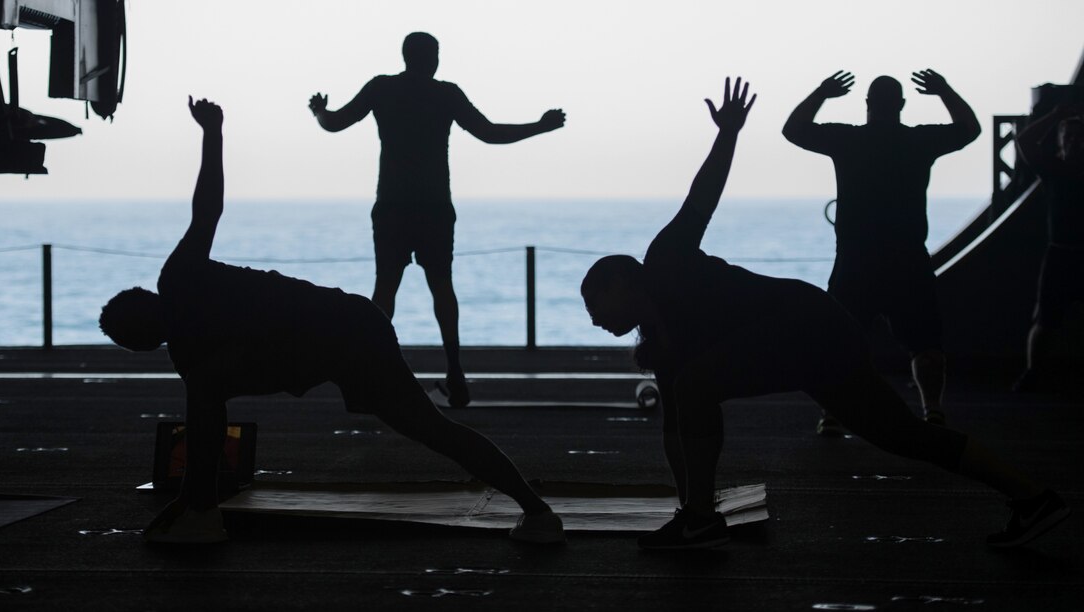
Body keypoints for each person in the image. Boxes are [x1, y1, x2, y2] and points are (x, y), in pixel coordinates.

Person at [580, 78, 1068, 551]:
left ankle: (702, 521)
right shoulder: (661, 344)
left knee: (696, 385)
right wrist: (683, 507)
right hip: (808, 340)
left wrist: (727, 133)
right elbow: (676, 432)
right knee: (903, 435)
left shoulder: (665, 257)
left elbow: (702, 197)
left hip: (807, 322)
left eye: (594, 304)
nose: (594, 320)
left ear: (620, 282)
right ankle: (1032, 497)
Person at [99, 98, 564, 545]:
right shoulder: (184, 317)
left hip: (349, 332)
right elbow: (208, 210)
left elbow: (208, 206)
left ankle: (537, 511)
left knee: (432, 429)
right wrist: (213, 133)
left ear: (144, 340)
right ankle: (535, 510)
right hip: (348, 326)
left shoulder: (182, 307)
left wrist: (214, 135)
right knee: (432, 429)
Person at [309, 32, 566, 408]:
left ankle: (372, 371)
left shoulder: (382, 89)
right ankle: (455, 372)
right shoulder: (446, 94)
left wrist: (318, 110)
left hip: (393, 205)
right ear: (432, 59)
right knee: (442, 286)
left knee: (385, 289)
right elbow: (489, 133)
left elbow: (334, 123)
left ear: (405, 56)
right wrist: (539, 127)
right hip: (433, 207)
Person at [782, 70, 981, 434]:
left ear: (868, 105)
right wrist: (944, 91)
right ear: (902, 105)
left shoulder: (847, 140)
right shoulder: (919, 141)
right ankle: (932, 410)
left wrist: (822, 92)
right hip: (908, 258)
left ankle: (832, 413)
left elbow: (793, 129)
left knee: (838, 340)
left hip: (856, 259)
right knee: (925, 343)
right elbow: (970, 129)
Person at [1012, 100, 1084, 392]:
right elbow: (1024, 141)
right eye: (1069, 138)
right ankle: (1033, 372)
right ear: (1060, 144)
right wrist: (1056, 115)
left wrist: (1056, 116)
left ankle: (1033, 374)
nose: (1075, 144)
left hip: (1061, 254)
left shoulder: (1055, 170)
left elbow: (1026, 141)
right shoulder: (1055, 170)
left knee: (1045, 321)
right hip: (1061, 254)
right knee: (1044, 320)